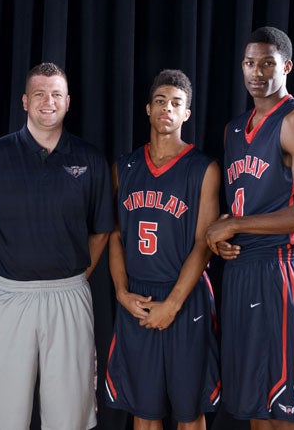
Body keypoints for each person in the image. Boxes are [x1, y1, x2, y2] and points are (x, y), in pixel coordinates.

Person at [0, 62, 113, 430]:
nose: (48, 102)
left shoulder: (90, 158)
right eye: (39, 94)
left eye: (56, 94)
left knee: (69, 415)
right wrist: (1, 267)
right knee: (3, 414)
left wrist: (81, 273)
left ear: (68, 102)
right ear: (24, 101)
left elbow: (100, 231)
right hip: (8, 294)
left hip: (67, 293)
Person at [206, 26, 294, 429]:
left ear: (287, 66)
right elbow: (251, 203)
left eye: (267, 63)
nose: (257, 72)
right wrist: (231, 237)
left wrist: (239, 224)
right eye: (249, 62)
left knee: (285, 406)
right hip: (242, 271)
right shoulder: (233, 129)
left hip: (280, 272)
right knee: (253, 406)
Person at [105, 69, 221, 429]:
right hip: (137, 297)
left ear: (187, 113)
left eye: (176, 103)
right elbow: (114, 238)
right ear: (148, 109)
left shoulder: (204, 168)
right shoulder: (124, 167)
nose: (167, 108)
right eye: (160, 101)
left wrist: (172, 305)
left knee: (190, 413)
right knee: (145, 412)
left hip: (184, 298)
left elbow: (204, 244)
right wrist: (122, 292)